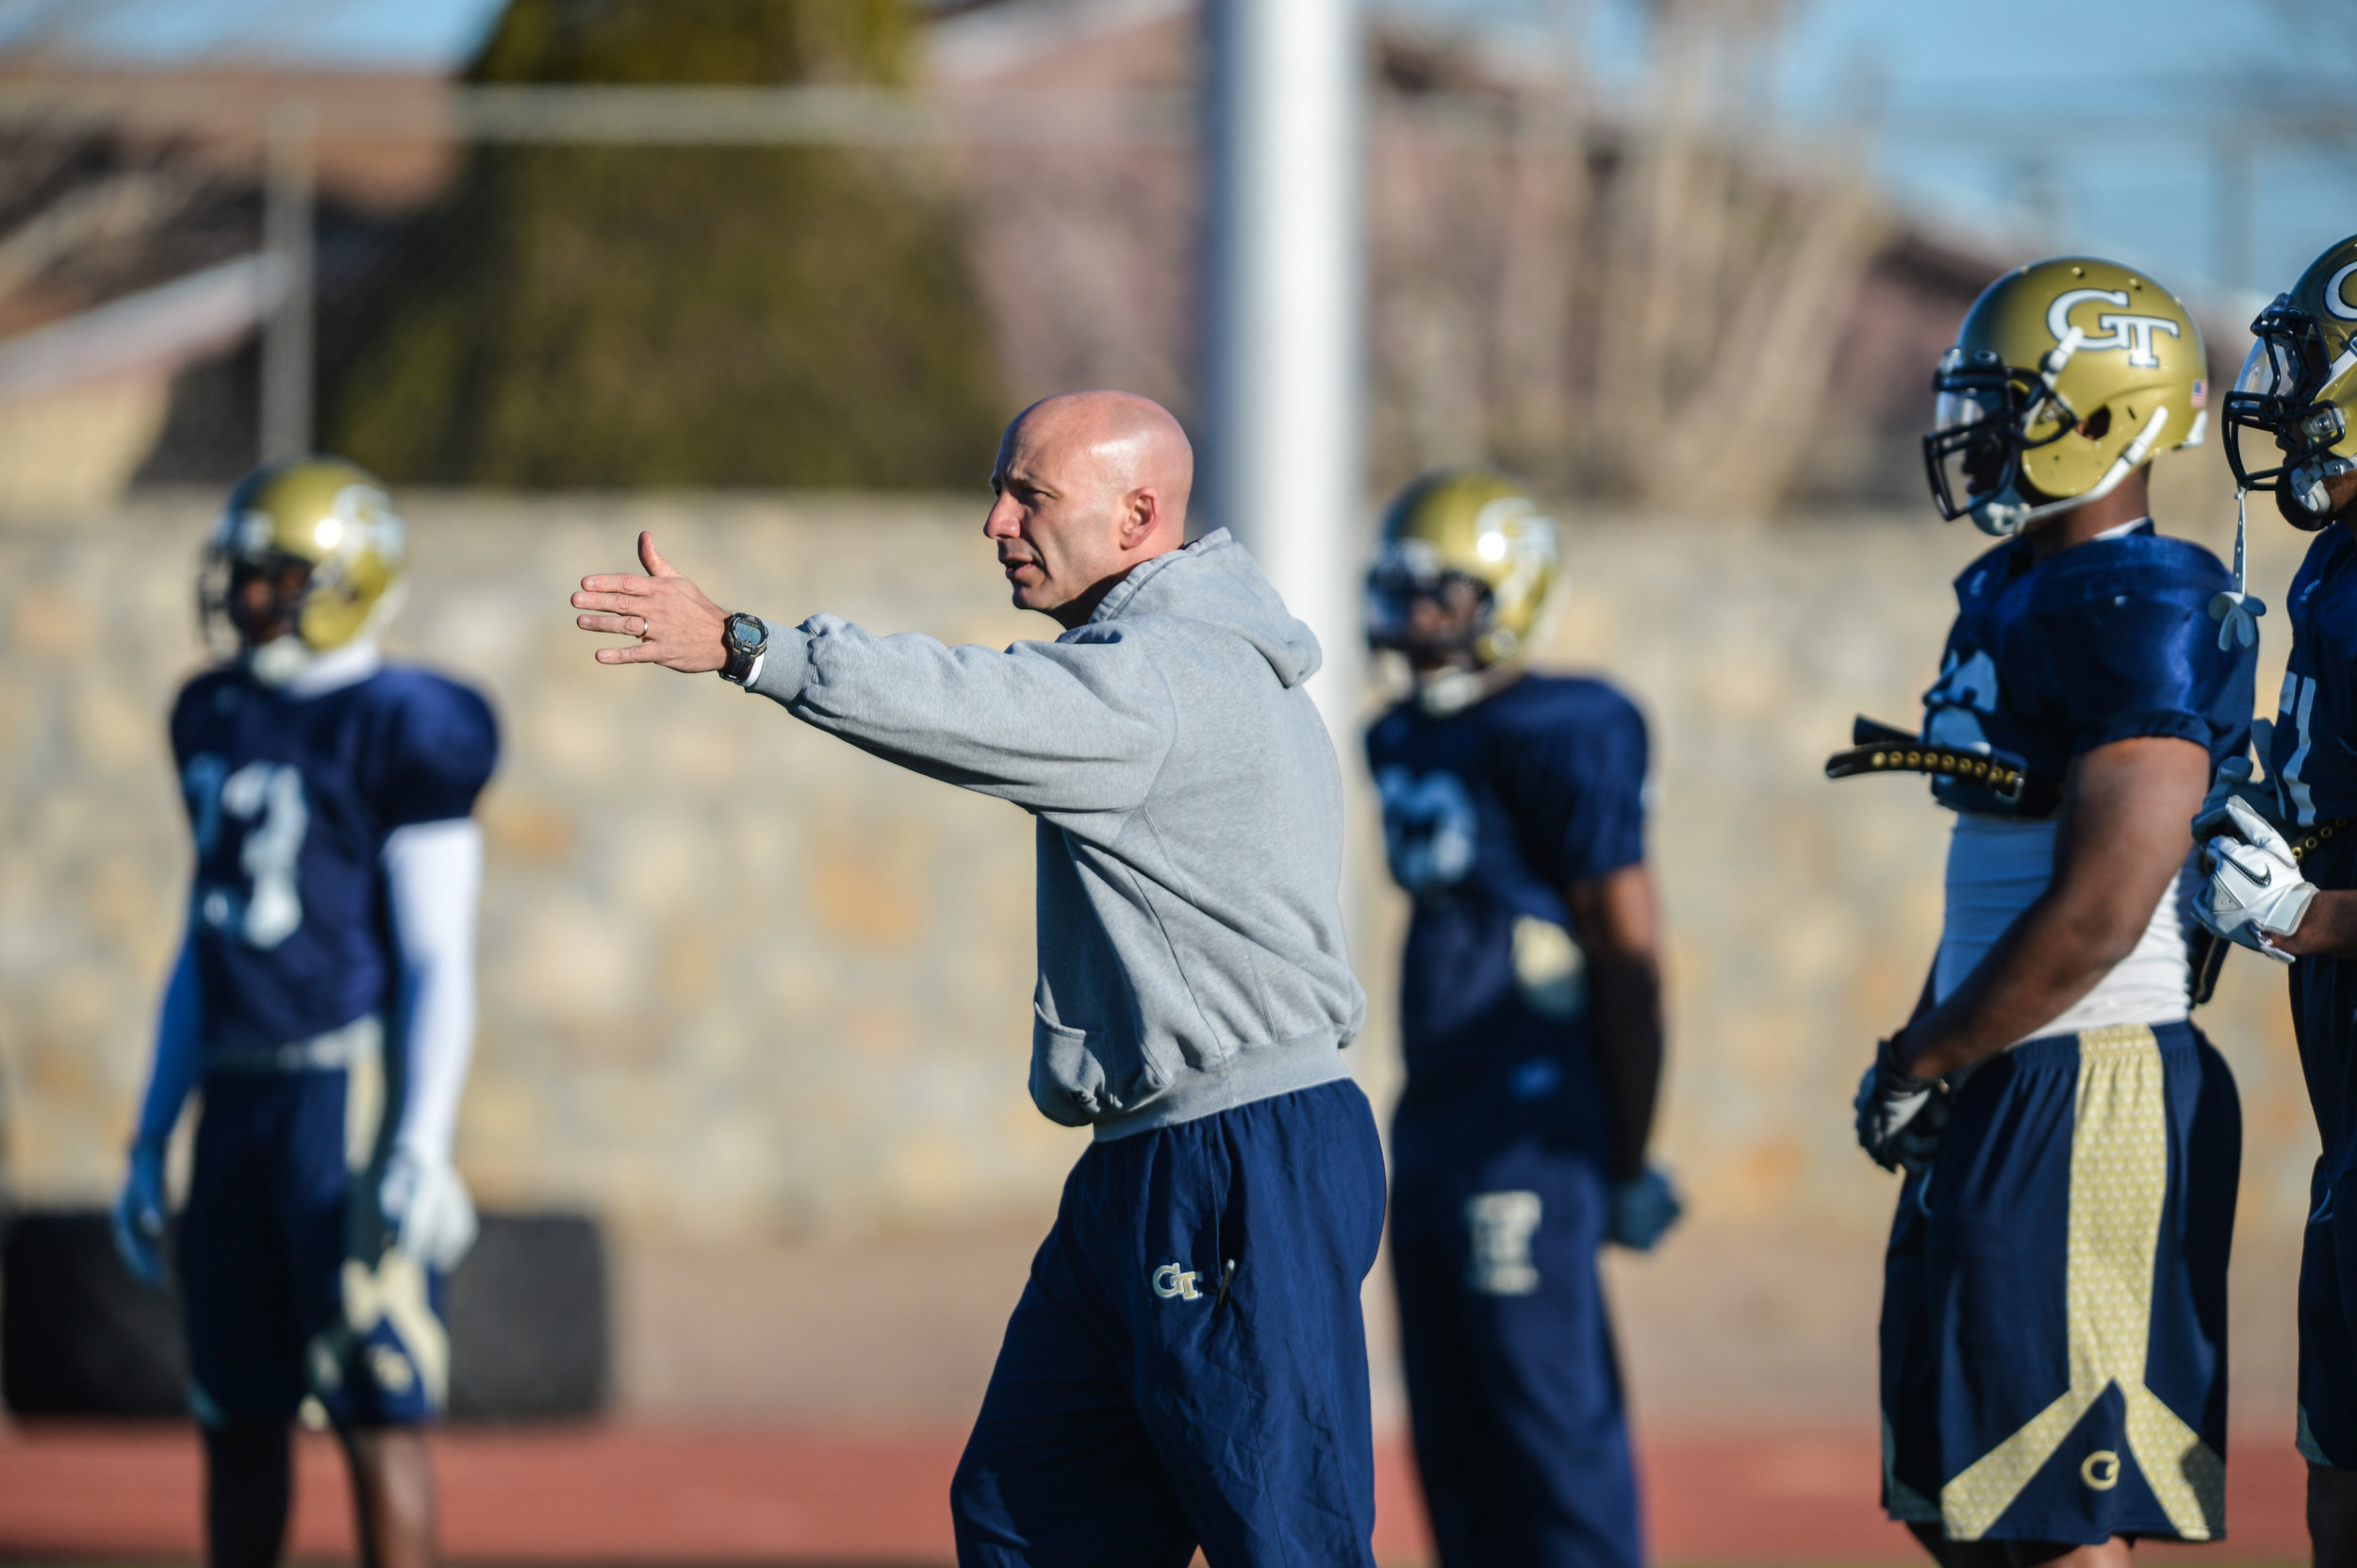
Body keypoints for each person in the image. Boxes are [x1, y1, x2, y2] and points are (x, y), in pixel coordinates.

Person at [569, 389, 1383, 1568]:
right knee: (1028, 1519)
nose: (995, 519)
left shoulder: (1166, 679)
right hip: (1140, 1166)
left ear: (1138, 514)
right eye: (1001, 487)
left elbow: (970, 702)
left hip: (1237, 1164)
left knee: (1285, 1541)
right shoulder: (1155, 662)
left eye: (1031, 495)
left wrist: (754, 648)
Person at [1841, 257, 2251, 1563]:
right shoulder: (2022, 585)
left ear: (2101, 412)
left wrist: (1929, 1053)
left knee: (2060, 1494)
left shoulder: (2141, 596)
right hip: (2013, 1071)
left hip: (2093, 1079)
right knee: (1967, 1490)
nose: (1977, 430)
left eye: (2007, 400)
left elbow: (2101, 909)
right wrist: (1931, 1040)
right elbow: (2000, 888)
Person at [113, 457, 499, 1568]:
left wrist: (421, 1137)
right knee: (234, 1411)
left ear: (346, 581)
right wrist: (152, 1130)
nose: (242, 599)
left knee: (379, 1409)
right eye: (239, 575)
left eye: (271, 577)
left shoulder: (408, 725)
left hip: (346, 1092)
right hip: (234, 1092)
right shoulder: (213, 712)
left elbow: (436, 954)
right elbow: (203, 938)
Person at [1360, 467, 1678, 1568]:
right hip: (1438, 1107)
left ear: (1510, 596)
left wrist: (1625, 1153)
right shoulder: (1400, 736)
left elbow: (1628, 956)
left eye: (1439, 595)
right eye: (1399, 593)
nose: (1412, 621)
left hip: (1525, 1119)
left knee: (1546, 1420)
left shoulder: (1567, 724)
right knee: (1452, 1428)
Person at [2194, 231, 2357, 1567]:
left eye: (2308, 362)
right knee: (2338, 1481)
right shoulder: (2335, 564)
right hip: (2351, 1118)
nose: (2279, 394)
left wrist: (2316, 913)